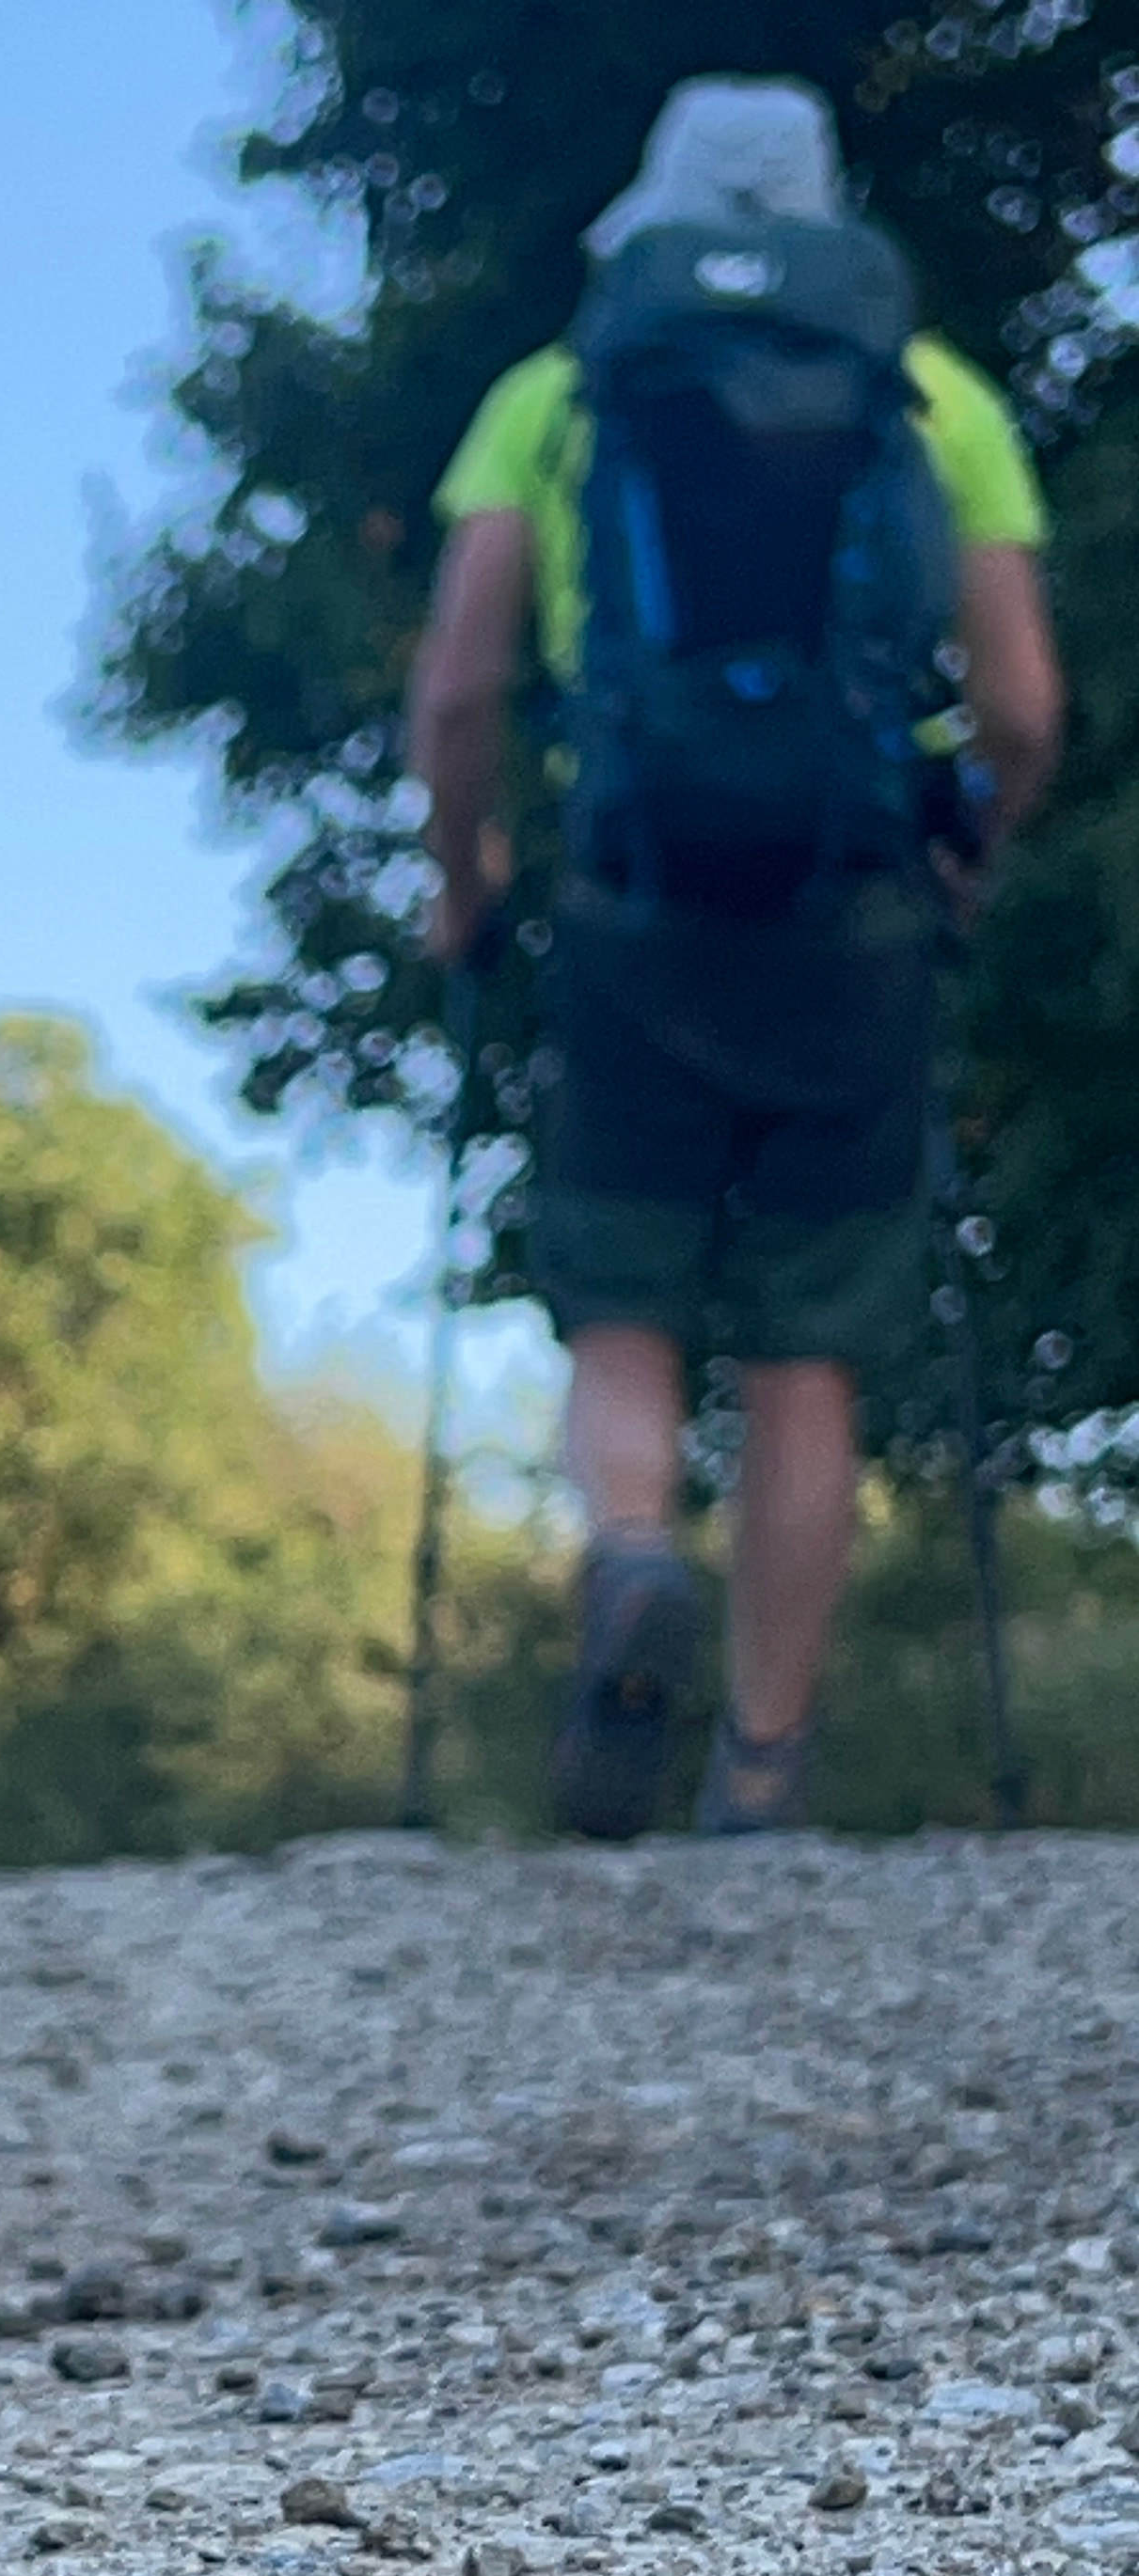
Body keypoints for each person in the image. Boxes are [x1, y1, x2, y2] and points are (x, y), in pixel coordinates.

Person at [405, 76, 1064, 1837]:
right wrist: (970, 856)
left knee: (620, 1306)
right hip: (852, 911)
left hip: (636, 904)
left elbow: (459, 684)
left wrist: (463, 875)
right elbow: (1019, 704)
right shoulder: (935, 405)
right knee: (805, 1358)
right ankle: (759, 1774)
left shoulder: (558, 396)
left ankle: (632, 1554)